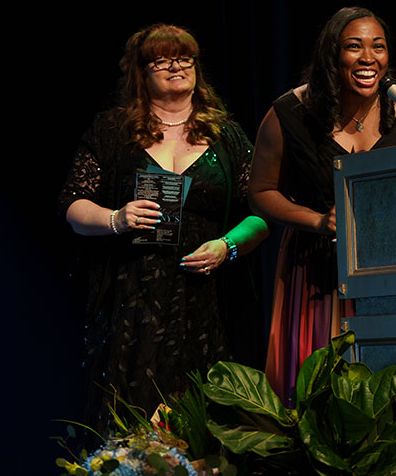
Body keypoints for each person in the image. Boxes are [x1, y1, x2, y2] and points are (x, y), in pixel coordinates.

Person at [245, 6, 396, 476]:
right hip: (317, 275)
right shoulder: (291, 112)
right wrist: (317, 220)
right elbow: (261, 191)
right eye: (355, 46)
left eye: (378, 46)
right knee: (317, 399)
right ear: (333, 54)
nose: (368, 58)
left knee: (394, 400)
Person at [60, 23, 268, 433]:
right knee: (131, 416)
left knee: (207, 417)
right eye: (163, 59)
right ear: (141, 71)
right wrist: (116, 218)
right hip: (133, 298)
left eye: (185, 57)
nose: (177, 66)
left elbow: (261, 212)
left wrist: (227, 245)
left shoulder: (225, 134)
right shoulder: (112, 130)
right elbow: (73, 205)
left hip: (208, 296)